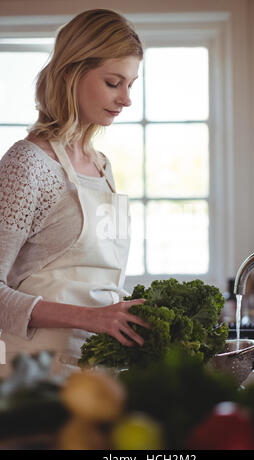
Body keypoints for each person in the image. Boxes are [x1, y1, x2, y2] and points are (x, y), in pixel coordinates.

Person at [0, 9, 150, 378]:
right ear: (71, 73)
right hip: (34, 378)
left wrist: (122, 311)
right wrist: (91, 317)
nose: (126, 99)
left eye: (131, 84)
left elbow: (94, 281)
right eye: (114, 82)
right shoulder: (27, 164)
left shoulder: (102, 166)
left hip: (96, 374)